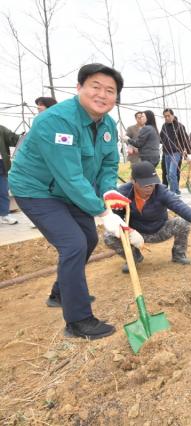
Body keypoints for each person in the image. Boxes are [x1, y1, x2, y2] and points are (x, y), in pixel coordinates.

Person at [8, 63, 128, 340]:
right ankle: (78, 321)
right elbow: (69, 175)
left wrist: (108, 194)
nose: (102, 95)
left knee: (88, 239)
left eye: (110, 91)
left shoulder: (107, 124)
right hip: (37, 190)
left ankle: (60, 292)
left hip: (71, 190)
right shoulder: (56, 120)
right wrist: (100, 211)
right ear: (79, 88)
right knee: (73, 244)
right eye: (95, 87)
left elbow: (109, 163)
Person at [103, 161, 191, 272]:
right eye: (145, 184)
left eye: (152, 183)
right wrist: (129, 231)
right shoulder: (123, 193)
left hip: (159, 230)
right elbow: (116, 217)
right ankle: (134, 257)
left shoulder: (161, 191)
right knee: (109, 235)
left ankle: (179, 255)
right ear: (133, 181)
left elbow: (178, 204)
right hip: (136, 233)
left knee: (182, 222)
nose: (149, 187)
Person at [160, 108, 188, 194]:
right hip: (166, 152)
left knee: (172, 172)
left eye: (168, 116)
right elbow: (161, 138)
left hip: (176, 152)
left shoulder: (180, 126)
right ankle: (176, 191)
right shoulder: (164, 126)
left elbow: (185, 139)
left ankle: (173, 193)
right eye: (165, 116)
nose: (167, 118)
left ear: (172, 115)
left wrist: (188, 152)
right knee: (168, 174)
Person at [0, 124, 20, 225]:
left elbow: (13, 139)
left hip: (1, 164)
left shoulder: (1, 128)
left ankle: (4, 215)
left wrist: (22, 138)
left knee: (3, 191)